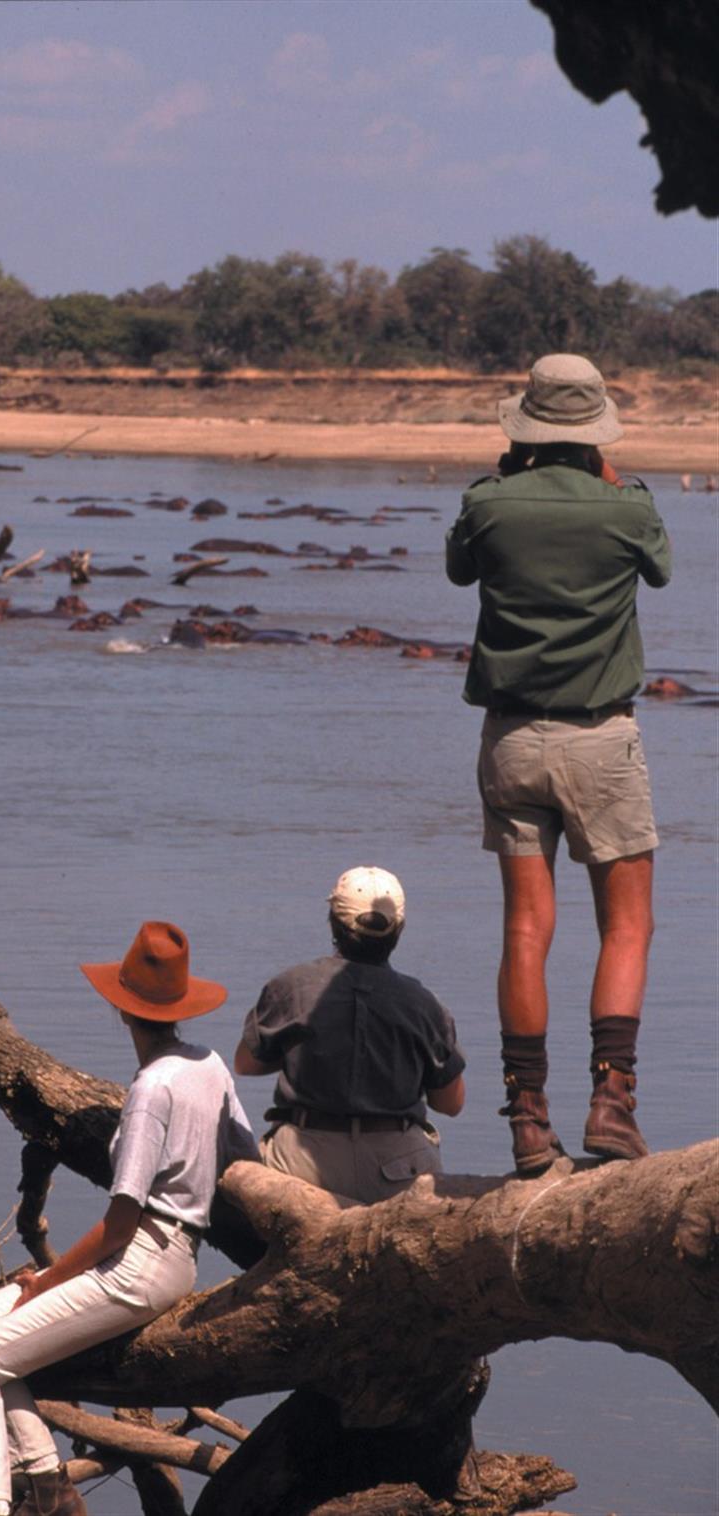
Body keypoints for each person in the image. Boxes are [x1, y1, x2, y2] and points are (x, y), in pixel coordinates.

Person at [0, 920, 258, 1516]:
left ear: (122, 1010)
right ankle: (48, 1484)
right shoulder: (209, 1064)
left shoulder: (150, 1089)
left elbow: (121, 1222)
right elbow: (247, 1157)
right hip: (174, 1254)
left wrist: (45, 1279)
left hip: (138, 1263)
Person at [445, 353, 672, 1176]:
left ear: (527, 427)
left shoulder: (488, 503)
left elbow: (459, 567)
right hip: (601, 741)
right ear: (597, 432)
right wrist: (610, 482)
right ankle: (613, 1101)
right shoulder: (625, 507)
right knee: (629, 924)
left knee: (527, 928)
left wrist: (515, 481)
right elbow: (661, 567)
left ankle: (529, 1118)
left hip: (511, 743)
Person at [234, 867, 465, 1205]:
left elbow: (246, 1064)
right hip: (397, 1167)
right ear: (398, 930)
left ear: (333, 923)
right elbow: (451, 1103)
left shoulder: (291, 986)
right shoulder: (425, 1004)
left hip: (302, 1163)